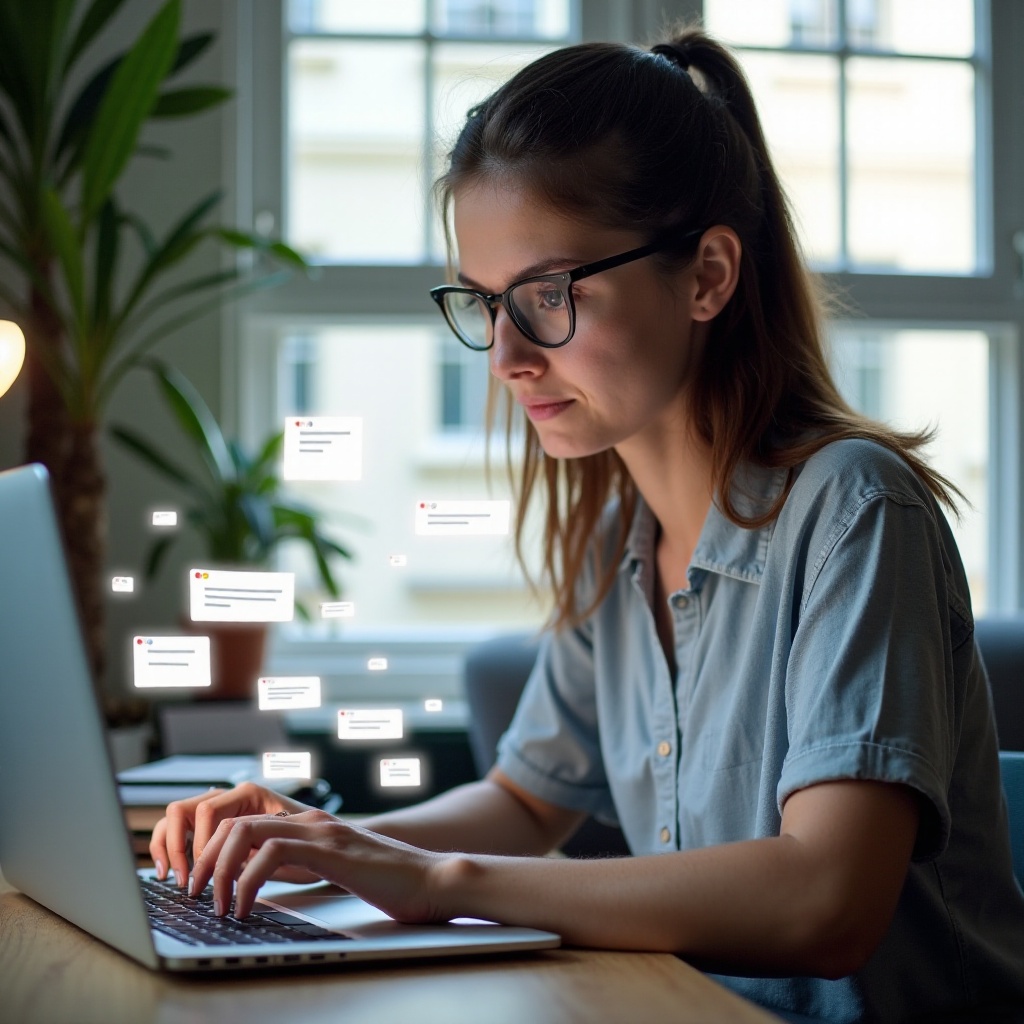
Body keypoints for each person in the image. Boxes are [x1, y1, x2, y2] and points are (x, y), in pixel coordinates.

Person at [151, 27, 1024, 1023]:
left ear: (706, 276)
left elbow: (825, 900)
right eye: (486, 304)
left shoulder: (853, 510)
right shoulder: (620, 540)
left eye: (550, 294)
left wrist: (438, 883)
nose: (506, 357)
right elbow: (527, 803)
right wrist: (319, 844)